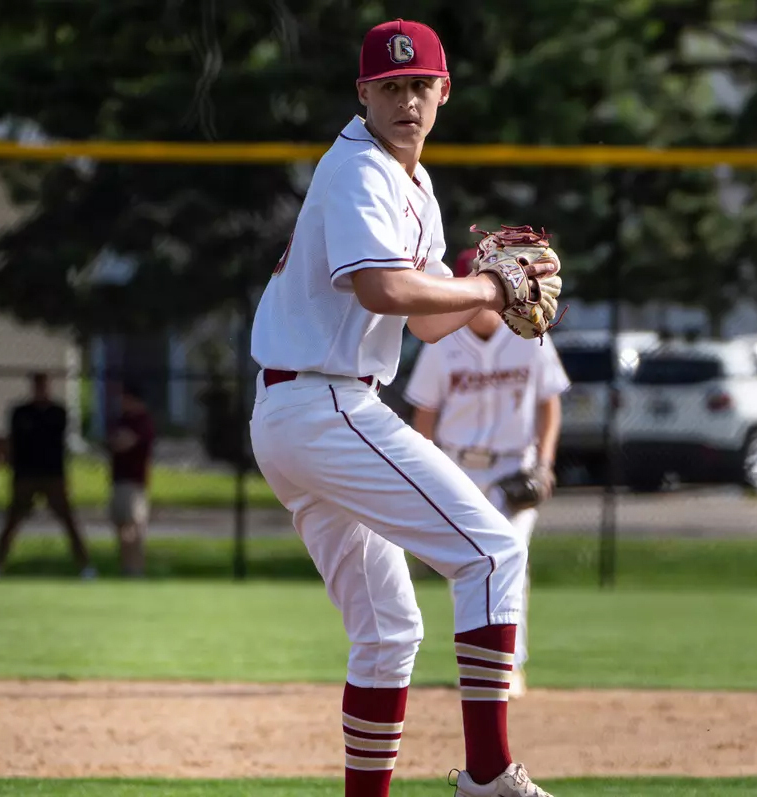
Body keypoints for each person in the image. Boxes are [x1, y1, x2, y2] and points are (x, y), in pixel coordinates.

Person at [249, 19, 559, 797]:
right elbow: (383, 290)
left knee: (388, 630)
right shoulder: (359, 169)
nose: (406, 99)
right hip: (326, 405)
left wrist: (483, 290)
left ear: (442, 91)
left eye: (419, 84)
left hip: (297, 411)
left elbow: (422, 319)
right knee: (490, 551)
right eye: (389, 87)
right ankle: (488, 772)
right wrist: (491, 287)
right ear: (363, 95)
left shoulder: (410, 181)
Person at [404, 248, 571, 700]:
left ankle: (509, 666)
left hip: (512, 465)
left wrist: (546, 462)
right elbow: (426, 413)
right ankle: (481, 666)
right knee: (472, 566)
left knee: (509, 554)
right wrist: (427, 472)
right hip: (457, 465)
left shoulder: (528, 333)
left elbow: (549, 402)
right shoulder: (441, 342)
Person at [0, 372, 95, 578]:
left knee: (68, 520)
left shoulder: (57, 413)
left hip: (52, 475)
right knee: (12, 521)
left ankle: (85, 566)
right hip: (26, 475)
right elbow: (15, 443)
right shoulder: (20, 413)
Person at [107, 381, 154, 577]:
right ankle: (127, 568)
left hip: (134, 484)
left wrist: (119, 441)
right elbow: (113, 441)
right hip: (118, 480)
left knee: (134, 528)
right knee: (121, 527)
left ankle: (136, 570)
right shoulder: (122, 420)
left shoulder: (143, 421)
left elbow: (124, 443)